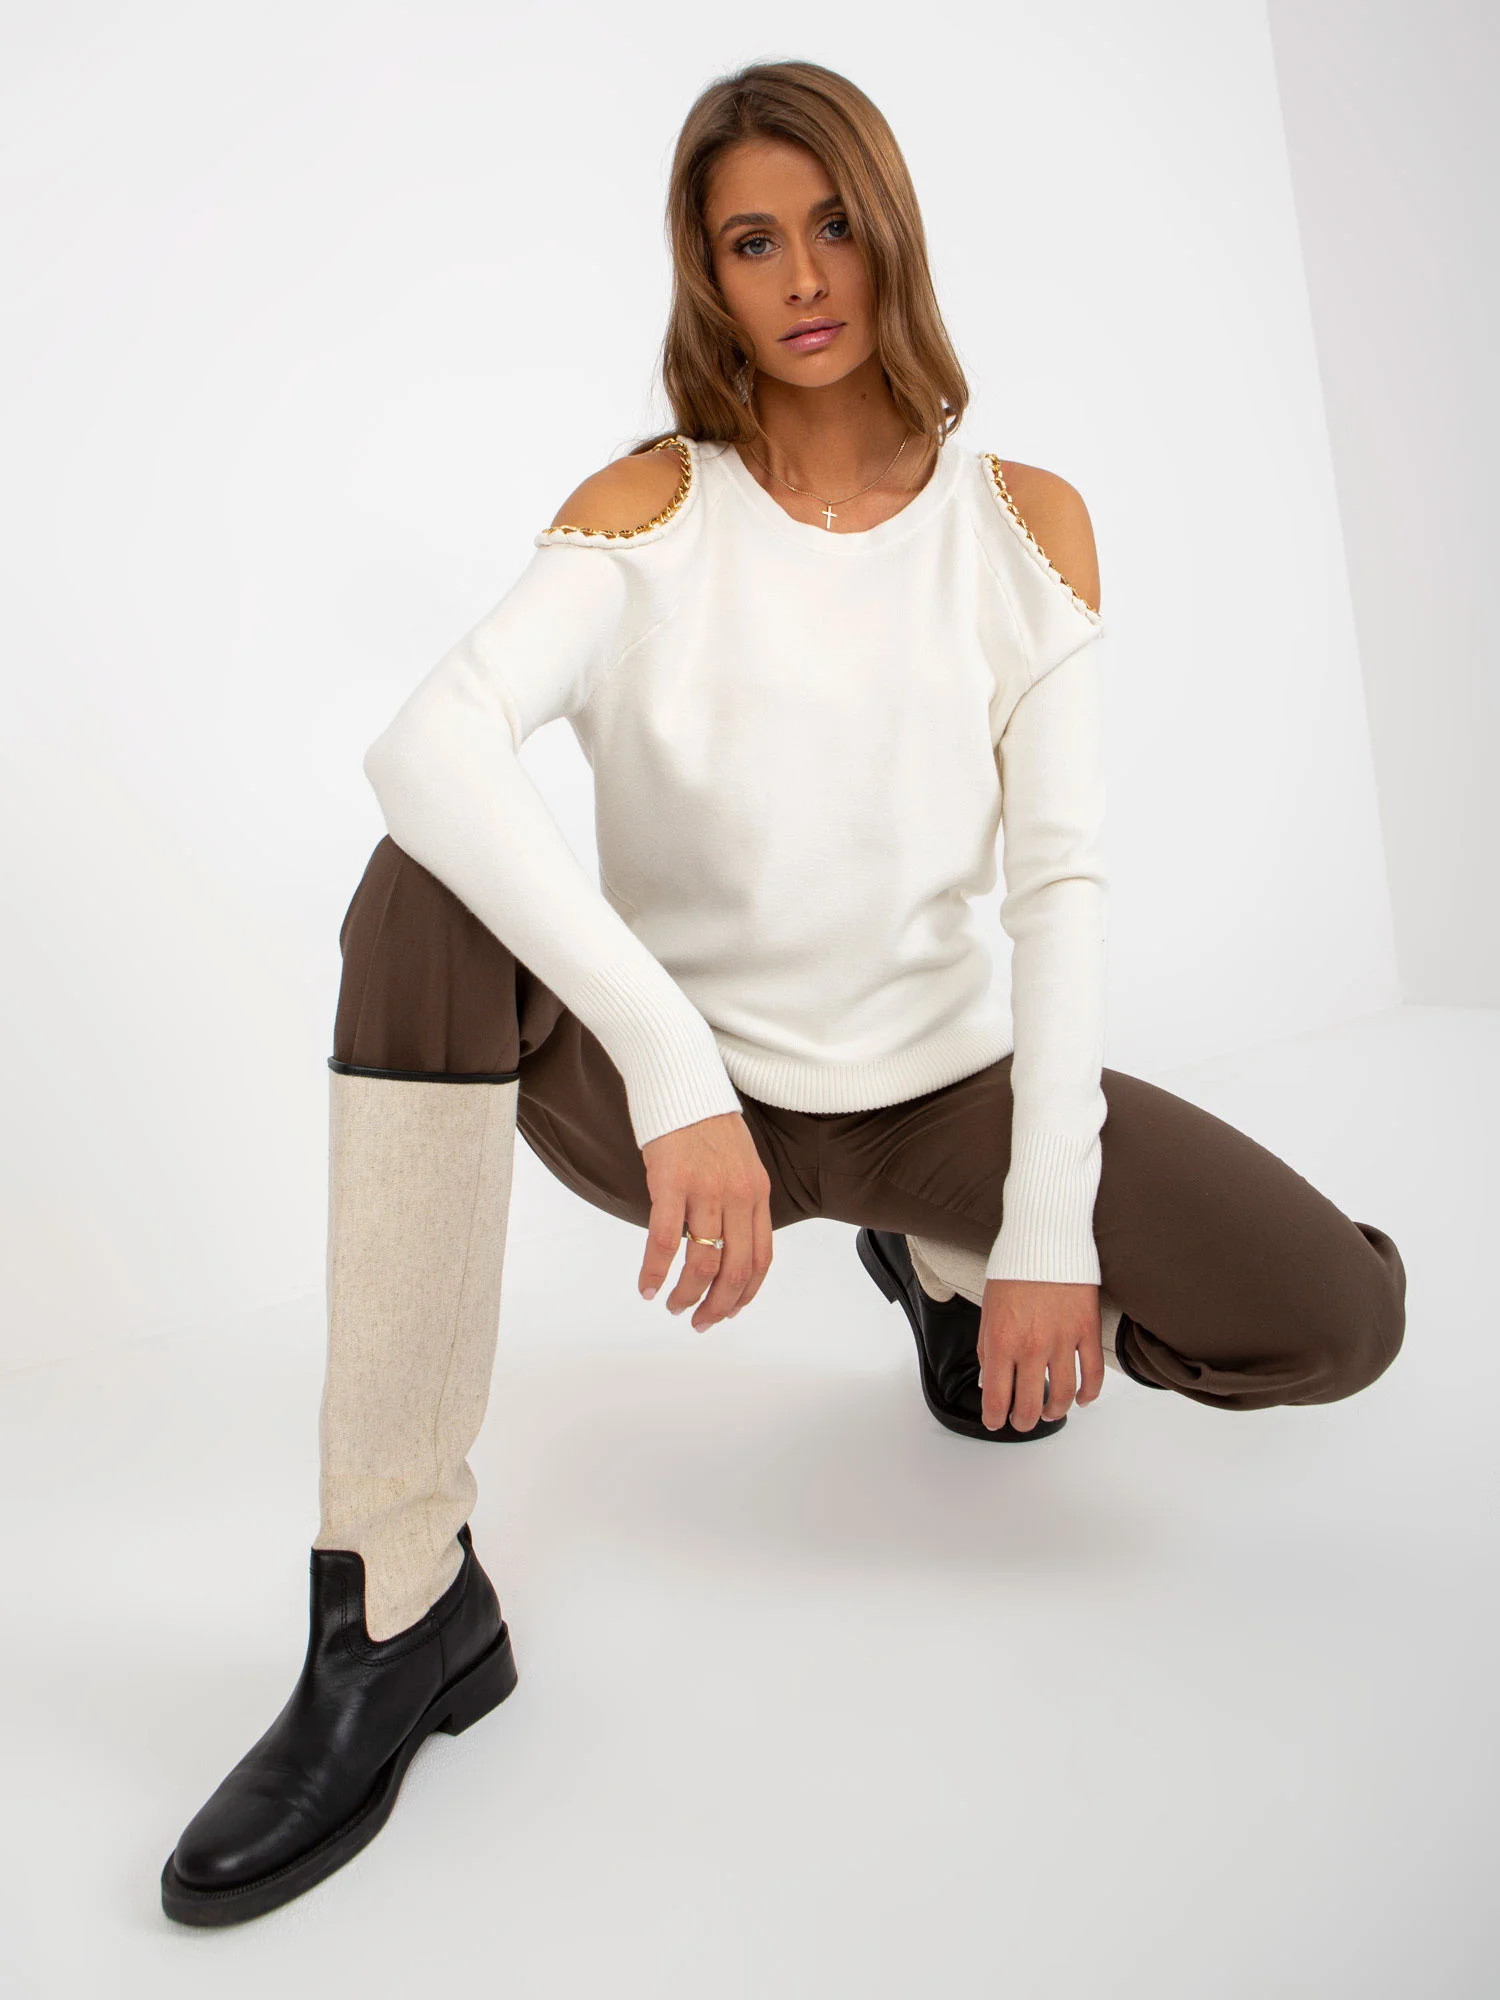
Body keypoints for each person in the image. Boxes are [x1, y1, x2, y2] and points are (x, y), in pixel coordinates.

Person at [159, 58, 1406, 1927]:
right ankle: (397, 1606)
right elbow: (429, 749)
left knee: (1336, 1318)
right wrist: (672, 1066)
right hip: (685, 1127)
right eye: (753, 242)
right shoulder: (653, 511)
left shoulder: (1023, 526)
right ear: (709, 277)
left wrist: (1048, 1232)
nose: (804, 274)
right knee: (422, 888)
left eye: (832, 224)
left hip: (936, 1096)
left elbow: (1060, 890)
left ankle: (952, 1267)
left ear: (891, 231)